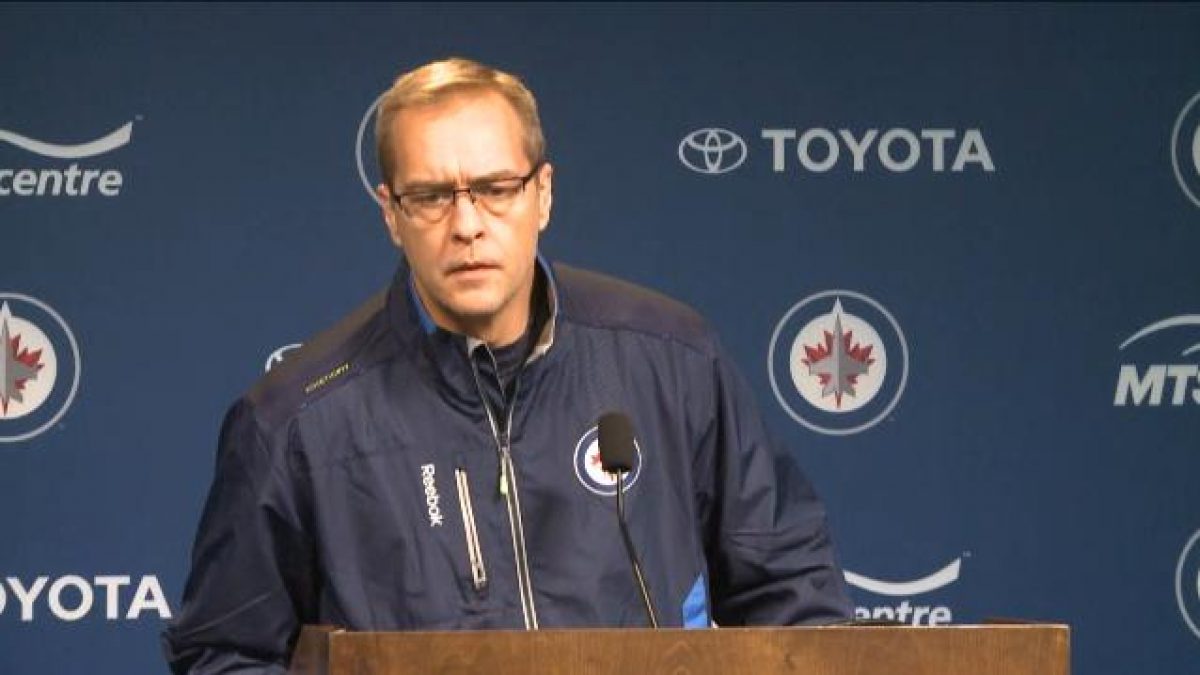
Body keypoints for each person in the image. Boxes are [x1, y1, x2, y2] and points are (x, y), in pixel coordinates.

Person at [162, 57, 852, 674]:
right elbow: (224, 652)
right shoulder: (295, 420)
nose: (466, 225)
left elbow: (792, 596)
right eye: (431, 196)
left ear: (542, 194)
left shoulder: (673, 359)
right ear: (390, 214)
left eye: (495, 188)